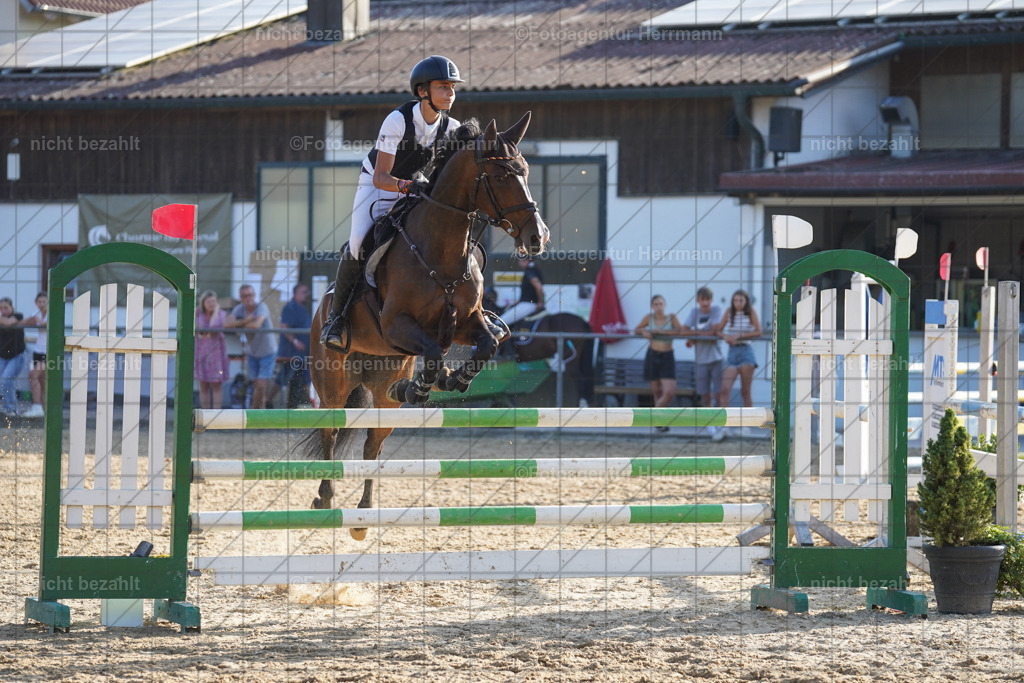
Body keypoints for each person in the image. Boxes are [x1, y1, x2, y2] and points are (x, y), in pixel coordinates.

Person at [322, 55, 464, 351]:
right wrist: (409, 186)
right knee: (359, 243)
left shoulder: (452, 128)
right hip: (379, 187)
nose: (450, 93)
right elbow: (381, 177)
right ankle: (336, 318)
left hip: (416, 189)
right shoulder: (398, 120)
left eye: (452, 87)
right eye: (443, 86)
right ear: (422, 91)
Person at [634, 294, 683, 432]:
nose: (659, 307)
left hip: (667, 355)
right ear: (652, 306)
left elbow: (680, 331)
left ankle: (653, 415)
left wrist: (661, 331)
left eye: (661, 304)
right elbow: (636, 329)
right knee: (657, 391)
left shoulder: (671, 317)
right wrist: (644, 331)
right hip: (652, 354)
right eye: (656, 304)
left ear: (665, 305)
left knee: (669, 391)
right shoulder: (649, 317)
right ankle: (661, 423)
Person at [680, 286, 724, 440]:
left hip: (716, 357)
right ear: (698, 300)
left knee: (718, 394)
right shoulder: (694, 312)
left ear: (711, 300)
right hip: (700, 359)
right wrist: (695, 336)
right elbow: (684, 330)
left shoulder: (717, 310)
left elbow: (714, 331)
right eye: (702, 299)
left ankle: (720, 422)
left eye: (708, 299)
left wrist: (694, 336)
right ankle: (709, 423)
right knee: (705, 395)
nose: (705, 303)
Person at [225, 284, 277, 410]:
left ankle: (254, 412)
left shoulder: (261, 307)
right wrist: (247, 320)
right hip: (252, 352)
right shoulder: (239, 309)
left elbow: (256, 325)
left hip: (267, 351)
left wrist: (239, 324)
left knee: (261, 384)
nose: (248, 298)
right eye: (245, 296)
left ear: (254, 295)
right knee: (257, 386)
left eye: (250, 295)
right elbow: (226, 324)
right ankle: (262, 415)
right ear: (240, 297)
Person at [716, 289, 762, 412]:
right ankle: (723, 426)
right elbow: (718, 330)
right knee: (724, 389)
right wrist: (725, 337)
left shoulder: (751, 312)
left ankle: (747, 426)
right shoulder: (729, 312)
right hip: (732, 352)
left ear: (746, 301)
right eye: (735, 300)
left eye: (740, 300)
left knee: (745, 391)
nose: (738, 303)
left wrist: (739, 336)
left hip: (746, 351)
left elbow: (758, 331)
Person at [269, 282, 312, 409]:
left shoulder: (304, 309)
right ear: (295, 294)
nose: (307, 295)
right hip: (290, 352)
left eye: (307, 292)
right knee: (281, 379)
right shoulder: (290, 308)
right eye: (303, 292)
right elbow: (284, 328)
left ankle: (314, 406)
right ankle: (268, 400)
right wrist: (295, 341)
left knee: (307, 379)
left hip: (304, 354)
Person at [194, 290, 231, 410]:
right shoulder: (197, 313)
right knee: (203, 385)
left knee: (216, 385)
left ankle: (216, 415)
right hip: (201, 354)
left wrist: (215, 313)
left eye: (214, 301)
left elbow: (213, 328)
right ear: (203, 303)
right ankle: (204, 414)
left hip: (216, 355)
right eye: (209, 301)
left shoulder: (221, 314)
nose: (212, 304)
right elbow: (201, 330)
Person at [21, 292, 48, 419]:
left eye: (44, 301)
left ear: (48, 302)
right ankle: (44, 411)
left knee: (33, 375)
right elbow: (22, 323)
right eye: (40, 302)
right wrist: (29, 320)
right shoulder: (36, 314)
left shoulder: (51, 313)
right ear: (36, 303)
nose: (42, 304)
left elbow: (47, 325)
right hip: (38, 350)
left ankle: (36, 406)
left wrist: (37, 320)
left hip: (48, 352)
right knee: (42, 382)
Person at [501, 255, 545, 328]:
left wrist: (540, 302)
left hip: (529, 304)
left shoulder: (530, 271)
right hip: (526, 303)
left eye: (521, 260)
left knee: (500, 322)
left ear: (527, 261)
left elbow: (539, 287)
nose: (519, 262)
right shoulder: (533, 270)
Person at [0, 297, 26, 418]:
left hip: (16, 356)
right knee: (6, 382)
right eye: (1, 308)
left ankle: (10, 409)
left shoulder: (18, 316)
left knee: (6, 379)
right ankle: (11, 410)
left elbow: (10, 322)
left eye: (6, 307)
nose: (3, 310)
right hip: (2, 356)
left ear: (12, 308)